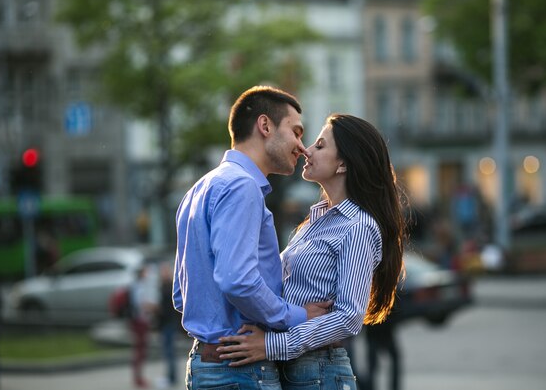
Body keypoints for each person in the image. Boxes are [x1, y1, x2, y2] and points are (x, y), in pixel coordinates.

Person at [217, 114, 406, 390]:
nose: (306, 149)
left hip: (319, 372)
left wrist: (271, 345)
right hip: (295, 370)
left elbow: (348, 318)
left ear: (343, 164)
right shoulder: (316, 220)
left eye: (319, 145)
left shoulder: (358, 226)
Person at [173, 86, 331, 390]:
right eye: (296, 132)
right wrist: (295, 316)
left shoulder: (199, 189)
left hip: (208, 366)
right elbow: (237, 279)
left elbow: (182, 295)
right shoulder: (242, 187)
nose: (302, 146)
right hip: (240, 371)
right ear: (265, 125)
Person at [129, 263, 158, 388]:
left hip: (140, 321)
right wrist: (153, 307)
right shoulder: (139, 287)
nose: (147, 274)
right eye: (145, 272)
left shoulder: (138, 286)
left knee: (140, 350)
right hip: (139, 321)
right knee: (140, 350)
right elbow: (142, 305)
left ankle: (138, 377)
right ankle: (138, 378)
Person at [156, 262, 180, 388]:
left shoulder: (168, 288)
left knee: (170, 352)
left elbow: (167, 309)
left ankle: (172, 378)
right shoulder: (162, 287)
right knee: (168, 352)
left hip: (168, 324)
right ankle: (171, 377)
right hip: (166, 324)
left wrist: (156, 309)